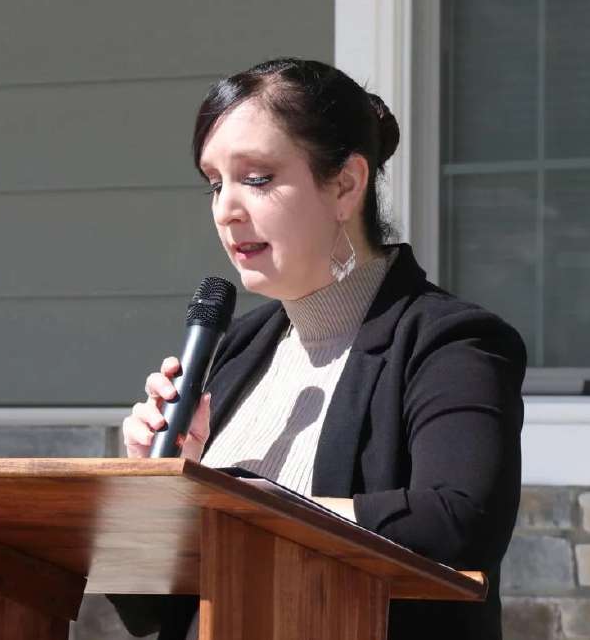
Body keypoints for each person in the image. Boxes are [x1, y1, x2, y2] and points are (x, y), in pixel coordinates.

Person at [113, 57, 526, 640]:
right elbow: (147, 614)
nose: (227, 209)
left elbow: (460, 524)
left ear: (346, 185)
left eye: (256, 178)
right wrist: (159, 482)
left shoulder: (449, 342)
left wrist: (238, 508)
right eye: (214, 182)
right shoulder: (232, 351)